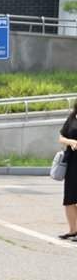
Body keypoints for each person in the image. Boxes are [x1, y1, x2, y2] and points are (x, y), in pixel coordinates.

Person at [61, 100, 77, 239]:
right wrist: (71, 142)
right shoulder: (72, 117)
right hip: (72, 163)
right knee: (69, 198)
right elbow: (61, 137)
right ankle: (73, 230)